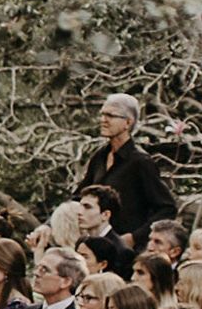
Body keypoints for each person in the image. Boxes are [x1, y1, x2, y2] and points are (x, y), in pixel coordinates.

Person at [75, 92, 178, 247]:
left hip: (127, 252)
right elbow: (78, 197)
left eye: (110, 115)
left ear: (128, 123)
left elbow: (167, 208)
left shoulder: (140, 162)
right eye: (102, 114)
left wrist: (134, 238)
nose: (103, 120)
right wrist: (49, 225)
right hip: (99, 247)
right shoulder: (100, 156)